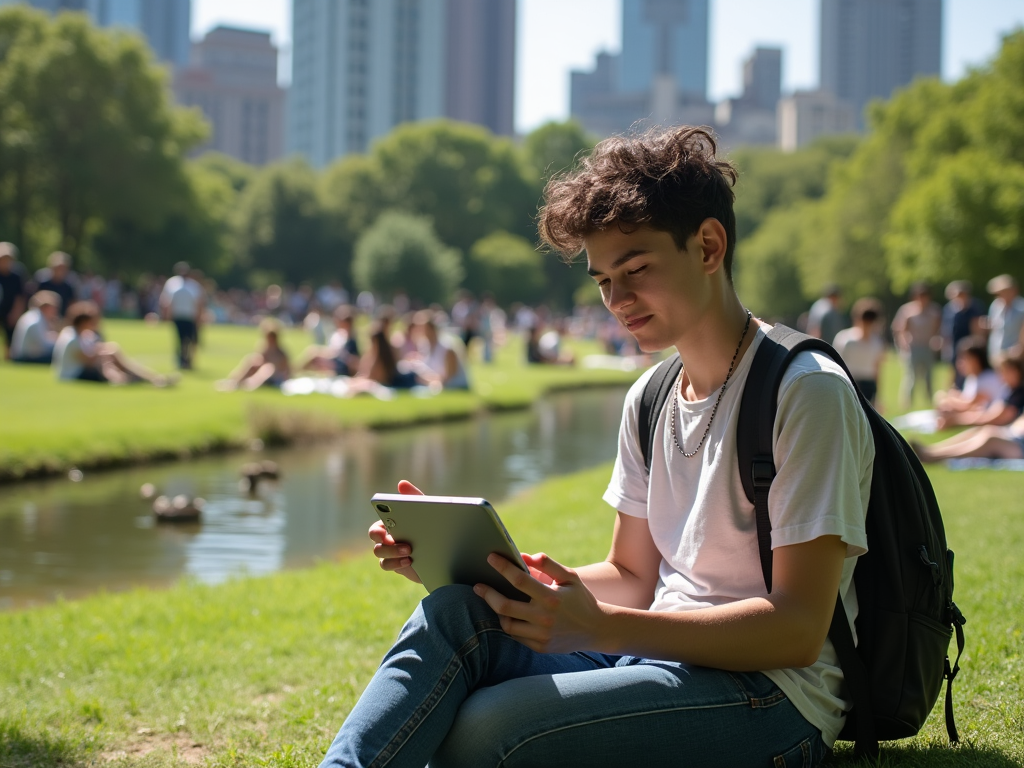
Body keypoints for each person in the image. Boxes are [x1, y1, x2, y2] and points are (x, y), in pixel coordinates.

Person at [319, 127, 873, 768]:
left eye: (636, 269)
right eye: (604, 279)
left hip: (772, 697)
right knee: (453, 614)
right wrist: (493, 578)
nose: (617, 300)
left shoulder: (805, 391)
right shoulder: (650, 396)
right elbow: (634, 575)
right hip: (656, 653)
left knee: (487, 727)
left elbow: (799, 628)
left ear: (709, 247)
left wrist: (603, 628)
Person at [52, 301, 172, 386]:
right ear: (84, 322)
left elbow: (94, 349)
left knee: (112, 351)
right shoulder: (72, 338)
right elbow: (88, 362)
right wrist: (104, 355)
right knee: (109, 361)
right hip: (73, 374)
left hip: (80, 371)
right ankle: (138, 379)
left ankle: (150, 378)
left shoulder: (80, 334)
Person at [936, 352, 1024, 430]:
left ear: (1015, 371)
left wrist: (957, 421)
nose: (1001, 377)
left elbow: (999, 418)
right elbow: (990, 413)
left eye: (1004, 372)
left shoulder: (1019, 393)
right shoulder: (1008, 389)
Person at [891, 282, 942, 409]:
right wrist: (903, 344)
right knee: (911, 377)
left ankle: (930, 402)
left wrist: (937, 341)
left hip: (927, 347)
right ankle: (907, 404)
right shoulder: (907, 310)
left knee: (928, 377)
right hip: (913, 348)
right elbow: (899, 329)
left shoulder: (934, 311)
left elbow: (938, 330)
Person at [832, 297, 886, 406]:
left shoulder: (877, 343)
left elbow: (877, 369)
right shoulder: (845, 339)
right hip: (850, 381)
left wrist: (878, 396)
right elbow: (836, 364)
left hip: (868, 384)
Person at [934, 336, 1006, 416]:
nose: (959, 364)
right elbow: (965, 399)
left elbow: (970, 406)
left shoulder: (988, 378)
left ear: (975, 360)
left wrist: (948, 401)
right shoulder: (972, 378)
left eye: (964, 359)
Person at [912, 413, 1024, 463]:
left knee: (991, 440)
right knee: (982, 429)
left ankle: (934, 456)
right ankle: (932, 449)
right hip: (1016, 436)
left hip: (1019, 447)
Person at [217, 318, 292, 391]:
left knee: (267, 368)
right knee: (252, 361)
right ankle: (234, 382)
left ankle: (248, 386)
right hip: (261, 374)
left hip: (274, 378)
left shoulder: (280, 353)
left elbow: (284, 370)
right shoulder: (264, 349)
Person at [408, 310, 470, 390]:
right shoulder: (424, 346)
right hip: (435, 385)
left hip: (454, 387)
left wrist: (429, 381)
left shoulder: (447, 346)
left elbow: (449, 376)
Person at [159, 261, 205, 370]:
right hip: (178, 315)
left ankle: (188, 360)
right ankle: (181, 360)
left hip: (190, 316)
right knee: (179, 339)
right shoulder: (172, 283)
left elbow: (199, 302)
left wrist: (199, 316)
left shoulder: (194, 285)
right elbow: (165, 300)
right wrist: (166, 314)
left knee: (189, 339)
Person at [940, 280, 985, 389]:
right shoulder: (949, 308)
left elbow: (977, 328)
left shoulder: (974, 307)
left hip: (969, 346)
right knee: (955, 369)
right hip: (954, 346)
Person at [298, 305, 361, 376]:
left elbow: (354, 361)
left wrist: (343, 356)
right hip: (336, 361)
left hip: (340, 366)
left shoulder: (351, 341)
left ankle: (296, 371)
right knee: (313, 353)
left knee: (314, 354)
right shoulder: (341, 335)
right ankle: (297, 371)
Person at [10, 290, 61, 364]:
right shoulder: (35, 321)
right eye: (54, 308)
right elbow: (43, 345)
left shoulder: (34, 316)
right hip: (24, 358)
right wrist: (59, 341)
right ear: (47, 307)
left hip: (24, 356)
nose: (55, 311)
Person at [984, 274, 1024, 365]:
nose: (1000, 295)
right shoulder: (995, 306)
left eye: (1003, 291)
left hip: (1015, 357)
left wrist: (1020, 350)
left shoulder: (1022, 307)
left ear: (1013, 290)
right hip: (996, 353)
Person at [0, 242, 27, 360]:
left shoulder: (17, 274)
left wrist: (16, 313)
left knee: (10, 338)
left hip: (10, 310)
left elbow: (20, 296)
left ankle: (8, 358)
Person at [35, 251, 77, 316]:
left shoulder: (68, 287)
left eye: (63, 268)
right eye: (58, 268)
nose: (60, 271)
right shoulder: (43, 284)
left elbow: (72, 306)